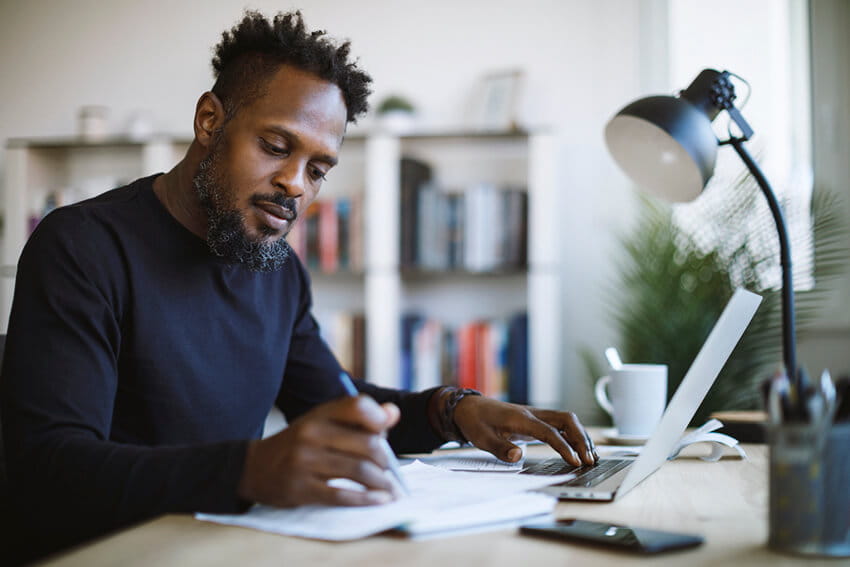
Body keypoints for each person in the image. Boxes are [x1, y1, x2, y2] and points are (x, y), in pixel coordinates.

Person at [0, 10, 597, 561]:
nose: (294, 184)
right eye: (276, 146)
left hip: (217, 546)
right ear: (210, 120)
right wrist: (248, 470)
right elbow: (51, 466)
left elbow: (338, 401)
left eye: (317, 169)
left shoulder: (278, 270)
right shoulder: (82, 246)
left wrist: (451, 410)